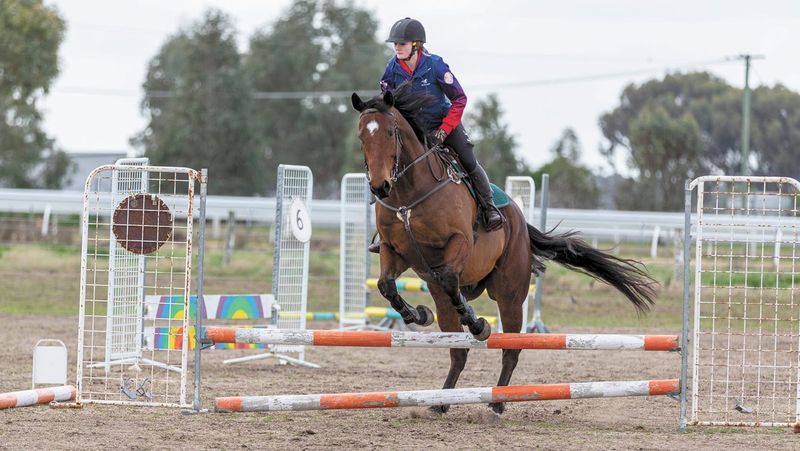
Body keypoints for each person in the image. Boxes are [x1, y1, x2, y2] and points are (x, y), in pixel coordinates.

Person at [368, 18, 504, 253]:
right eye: (395, 43)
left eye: (402, 43)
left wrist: (445, 129)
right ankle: (386, 231)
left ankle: (489, 207)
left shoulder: (436, 66)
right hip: (412, 129)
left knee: (468, 159)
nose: (397, 47)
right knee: (386, 162)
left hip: (443, 125)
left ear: (416, 45)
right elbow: (387, 104)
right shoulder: (391, 69)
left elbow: (460, 99)